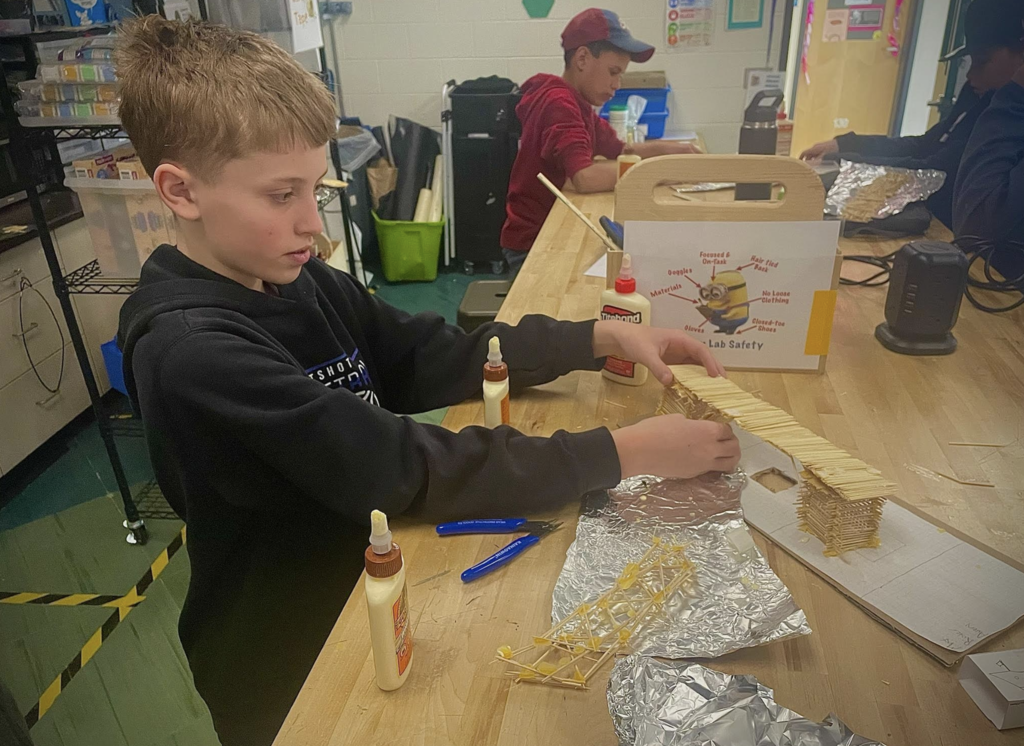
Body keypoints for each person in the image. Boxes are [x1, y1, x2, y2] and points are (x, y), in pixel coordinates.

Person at [114, 17, 739, 746]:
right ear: (180, 191)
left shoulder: (296, 278)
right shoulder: (193, 353)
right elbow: (397, 464)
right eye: (282, 195)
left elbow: (428, 353)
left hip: (365, 591)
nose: (313, 225)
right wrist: (624, 452)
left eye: (315, 189)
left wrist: (595, 338)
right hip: (285, 655)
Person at [500, 8, 700, 276]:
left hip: (552, 229)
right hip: (534, 242)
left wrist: (674, 152)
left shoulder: (578, 103)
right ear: (582, 58)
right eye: (613, 72)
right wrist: (660, 173)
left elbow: (622, 150)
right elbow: (585, 177)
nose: (617, 84)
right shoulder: (559, 103)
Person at [800, 0, 1024, 230]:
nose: (970, 74)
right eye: (970, 61)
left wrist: (844, 161)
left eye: (982, 61)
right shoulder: (978, 96)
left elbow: (937, 169)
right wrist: (845, 145)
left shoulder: (1003, 116)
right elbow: (925, 145)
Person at [954, 11, 1024, 288]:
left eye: (982, 61)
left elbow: (976, 234)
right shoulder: (986, 100)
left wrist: (1015, 96)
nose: (971, 75)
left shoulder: (1007, 104)